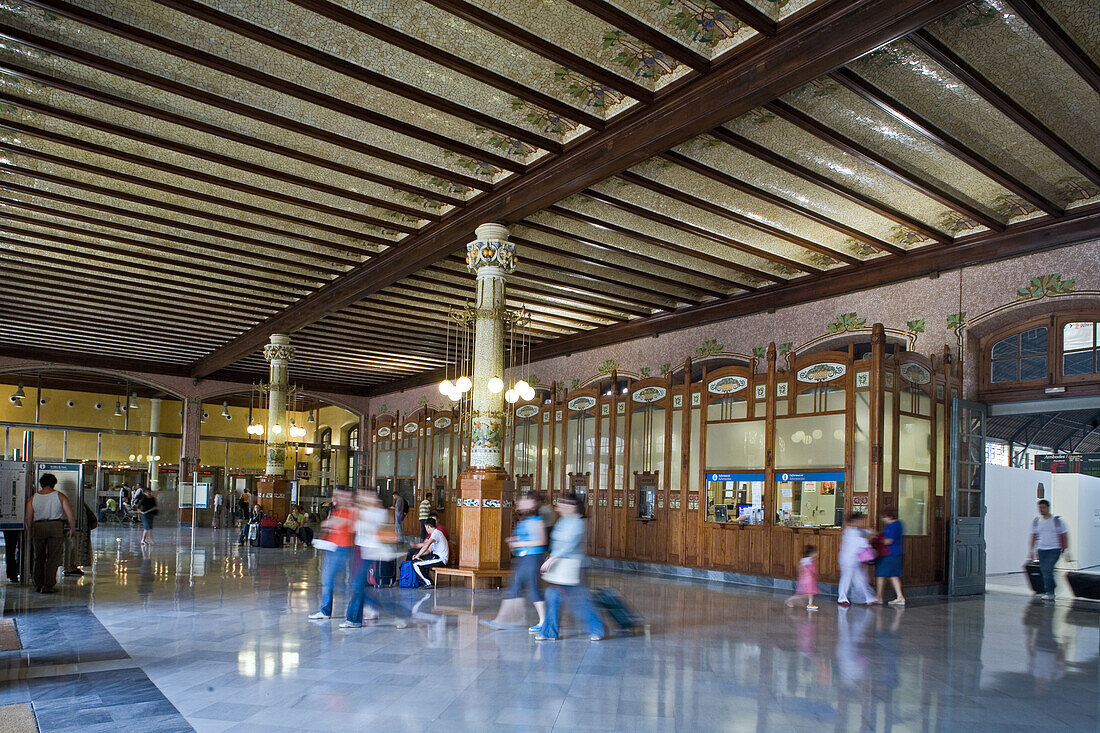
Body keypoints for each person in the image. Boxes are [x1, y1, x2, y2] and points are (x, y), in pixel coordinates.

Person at [535, 493, 606, 642]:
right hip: (559, 566)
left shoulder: (577, 523)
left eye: (564, 503)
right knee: (552, 595)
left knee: (579, 601)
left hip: (573, 567)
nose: (559, 505)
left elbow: (569, 545)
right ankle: (548, 632)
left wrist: (551, 559)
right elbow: (557, 543)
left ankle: (597, 629)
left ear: (573, 506)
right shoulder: (563, 521)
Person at [342, 492, 408, 628]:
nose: (363, 499)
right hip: (363, 552)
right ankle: (354, 619)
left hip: (373, 553)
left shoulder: (379, 513)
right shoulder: (364, 512)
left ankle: (355, 619)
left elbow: (375, 532)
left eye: (367, 497)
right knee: (360, 588)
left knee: (359, 587)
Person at [483, 495, 548, 631]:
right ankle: (507, 619)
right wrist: (514, 541)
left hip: (532, 558)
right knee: (515, 587)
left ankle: (543, 621)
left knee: (532, 588)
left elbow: (541, 541)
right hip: (523, 558)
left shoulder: (537, 521)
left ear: (532, 504)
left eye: (524, 500)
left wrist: (520, 542)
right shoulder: (525, 520)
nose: (520, 502)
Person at [25, 473, 76, 594]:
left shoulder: (33, 498)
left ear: (41, 484)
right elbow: (70, 515)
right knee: (53, 558)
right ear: (54, 483)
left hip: (38, 527)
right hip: (55, 527)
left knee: (39, 557)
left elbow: (27, 519)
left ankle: (38, 584)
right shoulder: (60, 496)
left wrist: (29, 533)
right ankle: (48, 585)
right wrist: (72, 529)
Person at [310, 489, 356, 620]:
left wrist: (329, 522)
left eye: (339, 495)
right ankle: (325, 610)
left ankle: (367, 606)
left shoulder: (349, 510)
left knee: (335, 582)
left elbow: (337, 523)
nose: (335, 498)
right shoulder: (338, 510)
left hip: (341, 548)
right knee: (328, 581)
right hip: (332, 547)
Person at [1028, 499, 1068, 600]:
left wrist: (1066, 550)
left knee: (1047, 569)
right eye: (1039, 508)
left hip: (1054, 549)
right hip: (1041, 549)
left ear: (1048, 508)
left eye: (1043, 507)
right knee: (1045, 570)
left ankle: (1050, 592)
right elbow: (1034, 536)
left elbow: (1064, 535)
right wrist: (1031, 551)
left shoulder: (1057, 521)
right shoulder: (1037, 522)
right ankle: (1052, 587)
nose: (1041, 510)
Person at [837, 512, 874, 607]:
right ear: (855, 521)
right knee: (846, 579)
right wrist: (869, 536)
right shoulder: (851, 532)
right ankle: (842, 598)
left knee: (860, 579)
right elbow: (863, 543)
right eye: (860, 520)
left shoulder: (854, 531)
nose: (862, 522)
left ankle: (868, 597)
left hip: (854, 560)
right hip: (848, 560)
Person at [874, 510, 905, 606]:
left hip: (889, 554)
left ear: (889, 517)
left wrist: (877, 538)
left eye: (884, 517)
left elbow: (888, 541)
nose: (883, 519)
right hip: (896, 554)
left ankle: (879, 597)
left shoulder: (893, 526)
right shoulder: (899, 524)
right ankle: (900, 597)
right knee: (893, 576)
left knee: (880, 575)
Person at [411, 517, 448, 586]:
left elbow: (426, 545)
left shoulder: (436, 533)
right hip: (436, 557)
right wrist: (417, 556)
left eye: (426, 528)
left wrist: (418, 555)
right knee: (416, 562)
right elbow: (428, 550)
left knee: (415, 564)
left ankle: (428, 583)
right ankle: (427, 582)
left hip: (440, 559)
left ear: (427, 526)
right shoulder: (435, 534)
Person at [785, 545, 819, 611]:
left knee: (809, 593)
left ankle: (810, 604)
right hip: (808, 579)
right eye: (815, 552)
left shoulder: (804, 560)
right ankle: (791, 600)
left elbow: (800, 568)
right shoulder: (809, 560)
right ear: (811, 553)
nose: (816, 554)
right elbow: (810, 569)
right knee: (808, 593)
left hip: (806, 579)